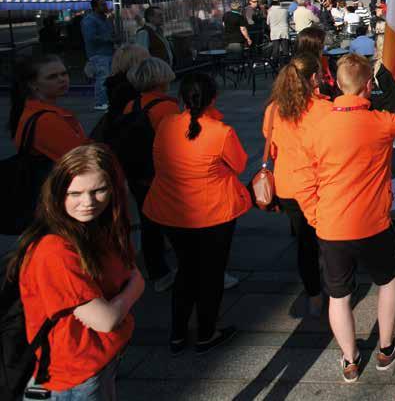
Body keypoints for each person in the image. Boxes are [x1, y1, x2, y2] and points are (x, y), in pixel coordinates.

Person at [292, 53, 395, 383]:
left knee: (339, 296)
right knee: (388, 280)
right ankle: (385, 348)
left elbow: (301, 177)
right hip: (373, 223)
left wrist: (315, 216)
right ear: (369, 86)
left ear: (338, 85)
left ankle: (351, 360)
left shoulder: (317, 124)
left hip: (332, 225)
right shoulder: (379, 121)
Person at [10, 144, 144, 400]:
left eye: (99, 190)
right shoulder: (55, 251)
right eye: (75, 193)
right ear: (58, 193)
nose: (88, 202)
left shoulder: (99, 227)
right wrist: (136, 286)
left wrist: (132, 287)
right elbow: (105, 320)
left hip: (99, 360)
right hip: (74, 376)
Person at [143, 72, 251, 355]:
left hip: (170, 210)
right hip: (213, 212)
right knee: (211, 274)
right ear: (213, 98)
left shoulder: (166, 124)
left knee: (186, 270)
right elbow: (239, 164)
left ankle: (178, 333)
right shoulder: (220, 132)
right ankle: (206, 331)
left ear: (181, 98)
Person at [264, 53, 331, 318]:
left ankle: (314, 294)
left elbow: (270, 143)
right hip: (318, 185)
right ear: (314, 78)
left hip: (287, 186)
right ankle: (332, 285)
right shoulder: (323, 110)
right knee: (324, 239)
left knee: (304, 242)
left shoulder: (273, 109)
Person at [124, 58, 180, 292]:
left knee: (149, 222)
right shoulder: (167, 107)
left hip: (138, 172)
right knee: (175, 223)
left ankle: (155, 269)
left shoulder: (132, 105)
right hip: (162, 174)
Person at [10, 55, 87, 165]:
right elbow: (82, 161)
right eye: (52, 77)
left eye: (64, 74)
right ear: (33, 84)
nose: (62, 79)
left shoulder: (34, 110)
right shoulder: (45, 119)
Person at [81, 0, 115, 111]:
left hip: (108, 52)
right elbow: (90, 37)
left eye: (105, 4)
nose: (106, 7)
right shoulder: (89, 20)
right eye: (103, 5)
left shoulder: (105, 19)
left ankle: (106, 101)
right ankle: (101, 102)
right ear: (95, 7)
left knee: (107, 77)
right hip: (98, 53)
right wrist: (109, 39)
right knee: (102, 77)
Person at [104, 45, 150, 118]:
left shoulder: (115, 84)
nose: (150, 64)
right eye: (146, 60)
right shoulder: (129, 88)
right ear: (134, 62)